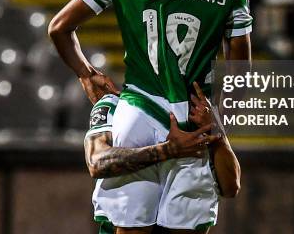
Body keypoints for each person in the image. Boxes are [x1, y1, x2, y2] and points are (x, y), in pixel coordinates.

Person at [49, 0, 252, 233]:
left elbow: (59, 28)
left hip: (134, 115)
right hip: (192, 122)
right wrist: (219, 121)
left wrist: (87, 74)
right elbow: (241, 74)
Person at [84, 83, 240, 234]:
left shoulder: (198, 116)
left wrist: (216, 131)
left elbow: (231, 187)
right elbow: (97, 162)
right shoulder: (116, 106)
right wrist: (169, 150)